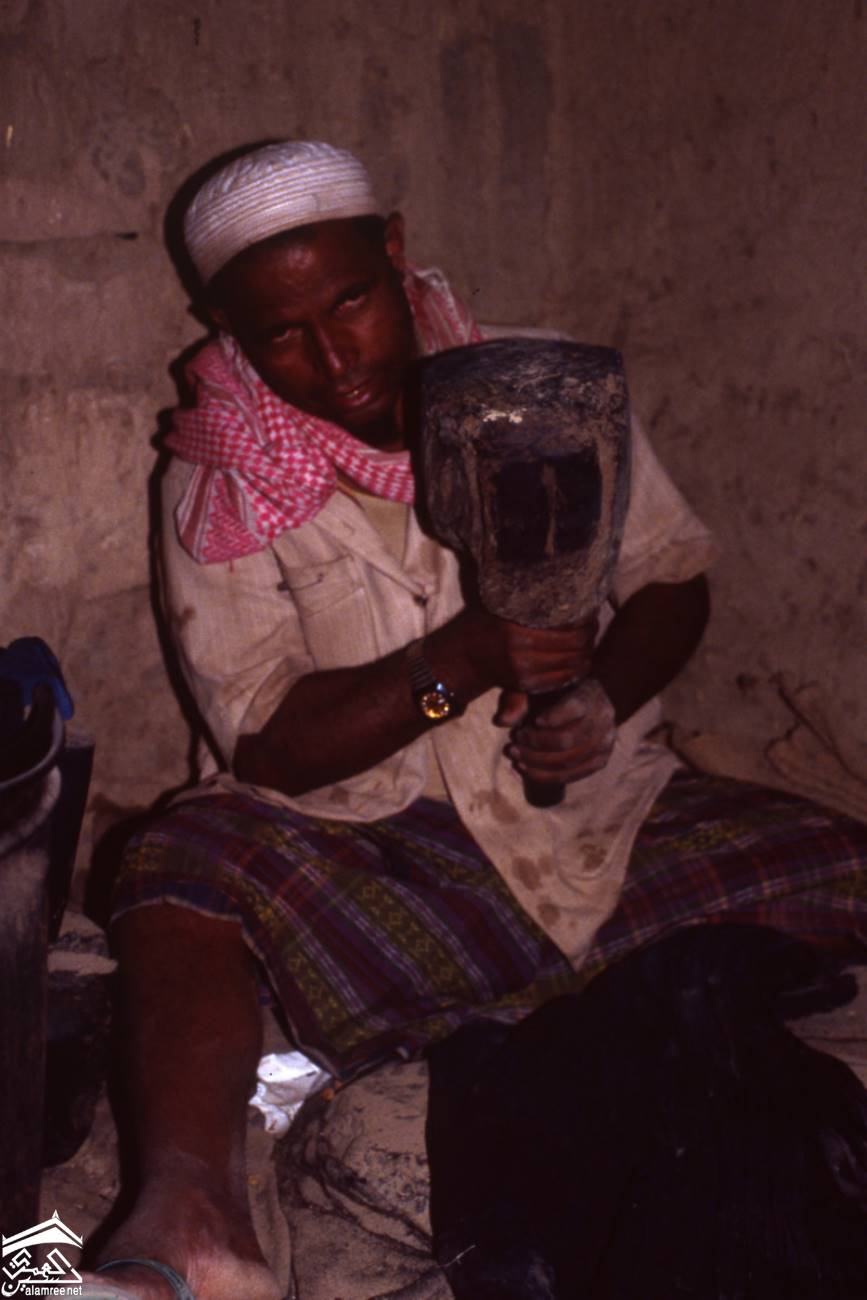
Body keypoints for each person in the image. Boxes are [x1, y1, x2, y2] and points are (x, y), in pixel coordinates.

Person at [86, 142, 867, 1300]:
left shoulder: (550, 386)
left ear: (396, 253)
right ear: (224, 325)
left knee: (840, 857)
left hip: (599, 822)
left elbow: (671, 577)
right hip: (378, 848)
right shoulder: (218, 473)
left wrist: (604, 697)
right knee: (179, 858)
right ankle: (192, 1212)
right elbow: (269, 742)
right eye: (282, 331)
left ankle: (535, 996)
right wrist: (460, 663)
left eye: (352, 300)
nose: (333, 354)